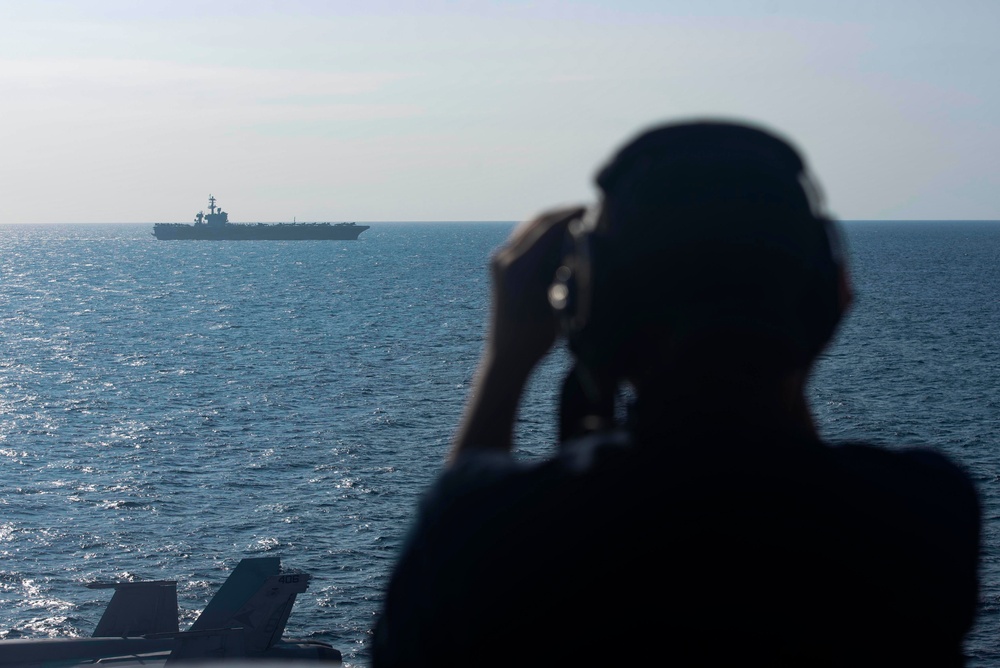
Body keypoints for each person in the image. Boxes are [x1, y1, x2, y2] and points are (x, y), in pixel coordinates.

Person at [373, 120, 980, 666]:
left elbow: (441, 598)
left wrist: (506, 361)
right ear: (832, 299)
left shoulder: (486, 532)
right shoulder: (926, 514)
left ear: (594, 313)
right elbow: (806, 490)